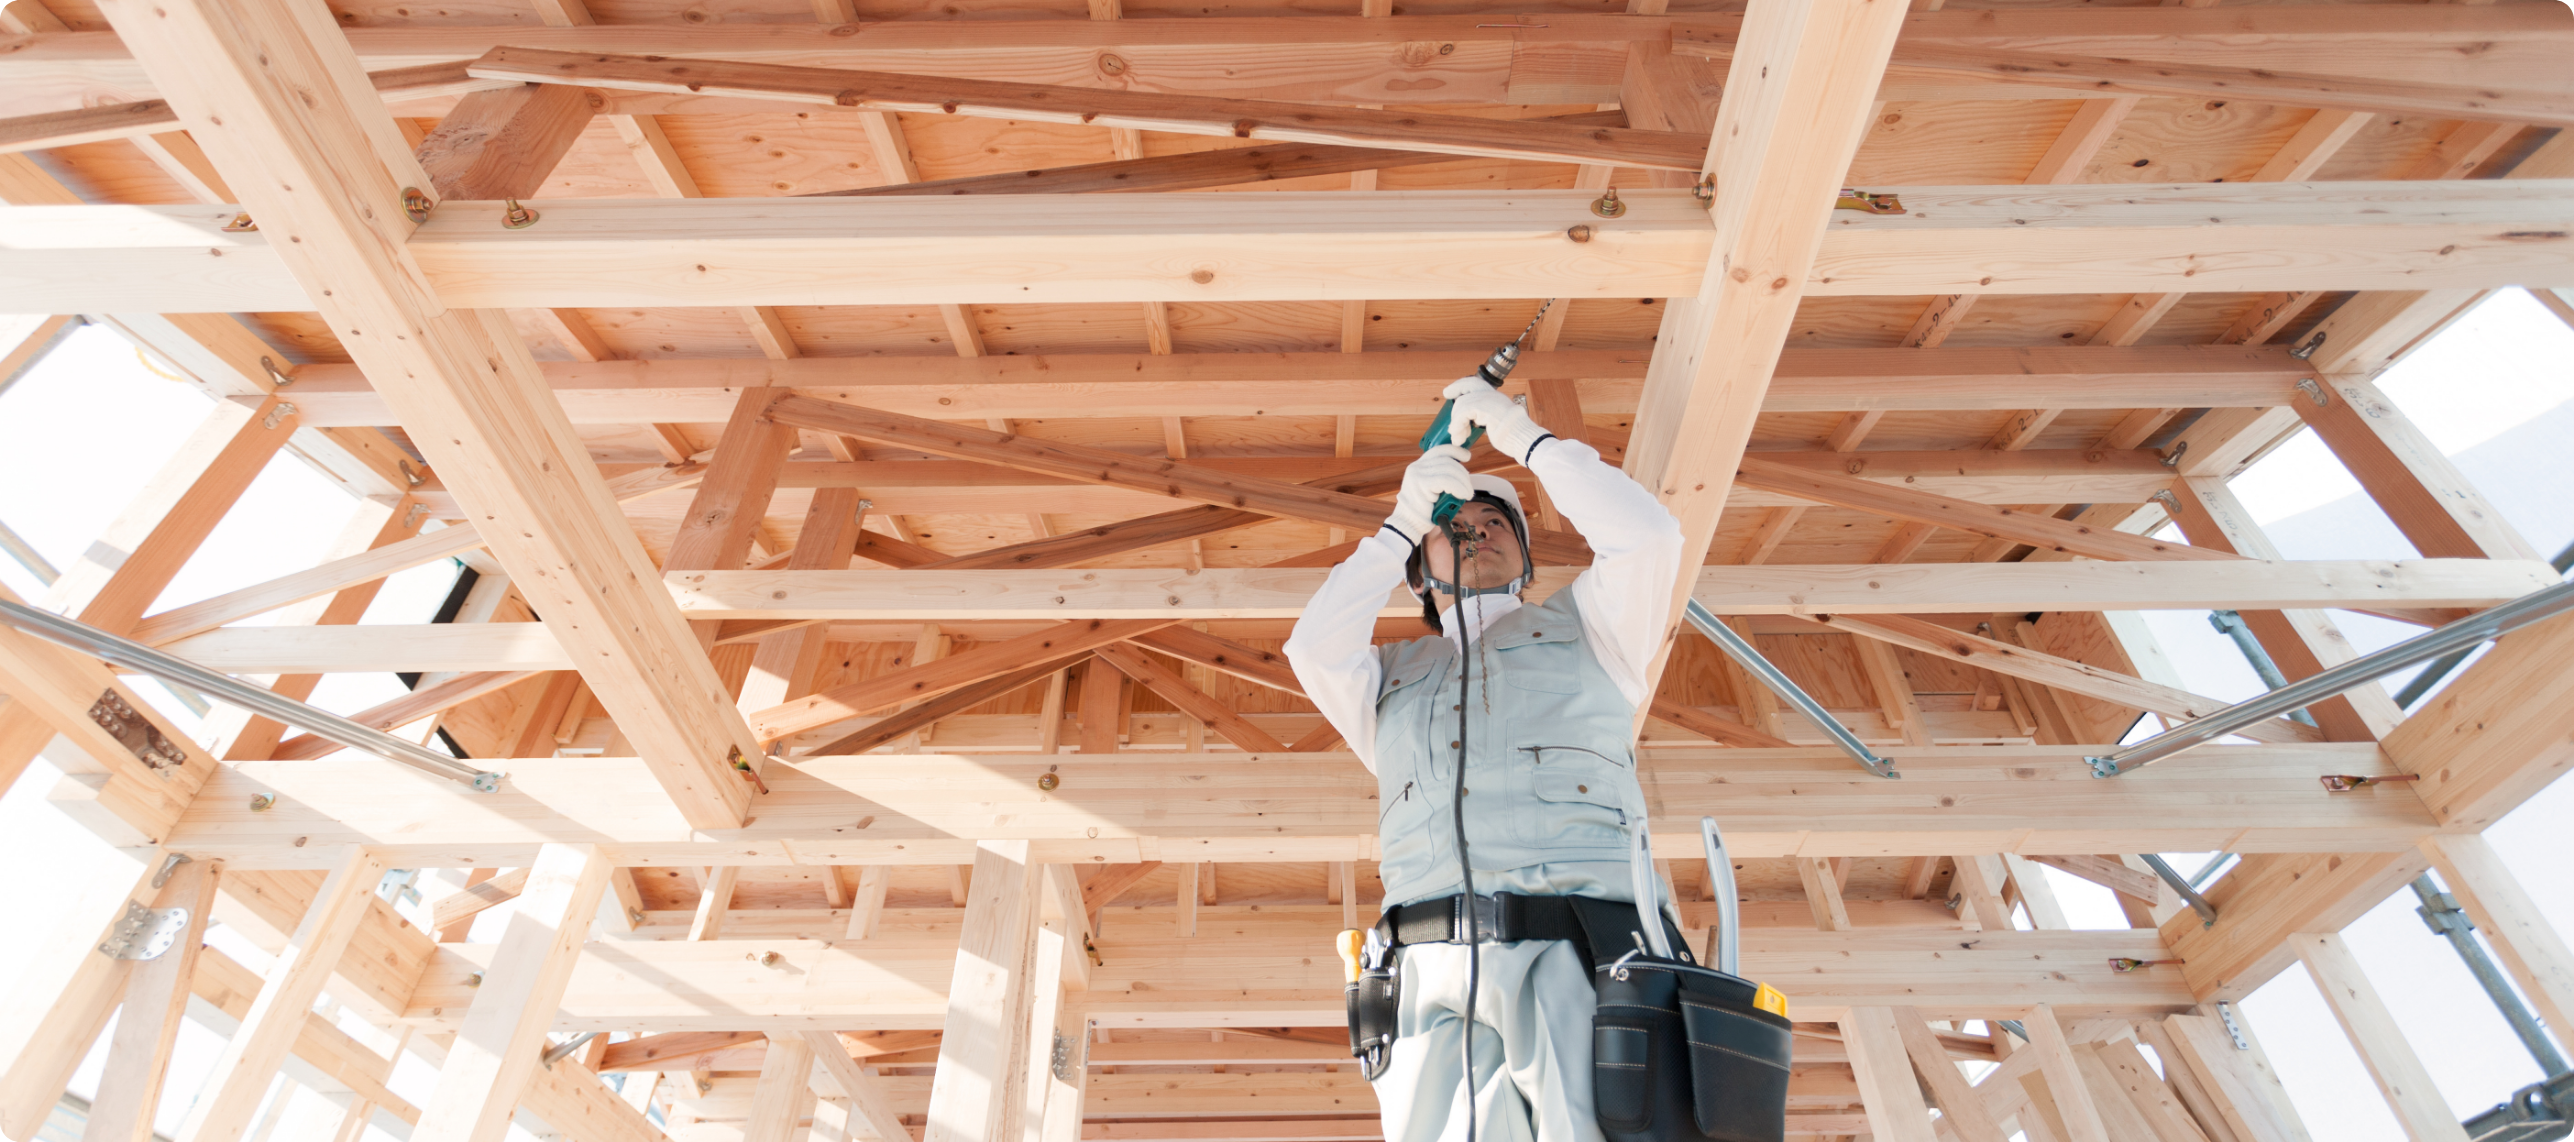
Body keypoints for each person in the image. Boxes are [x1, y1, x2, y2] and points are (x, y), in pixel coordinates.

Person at [1284, 376, 1686, 1142]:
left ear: (1526, 556)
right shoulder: (1387, 680)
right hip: (1428, 977)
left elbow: (1650, 539)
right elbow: (1312, 646)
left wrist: (1522, 435)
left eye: (1496, 518)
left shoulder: (1596, 630)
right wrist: (1399, 522)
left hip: (1585, 956)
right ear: (1418, 571)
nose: (1477, 527)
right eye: (1452, 521)